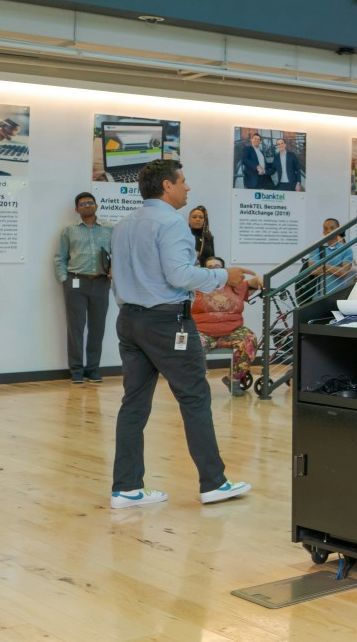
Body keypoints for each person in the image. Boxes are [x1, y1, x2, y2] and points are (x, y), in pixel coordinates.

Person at [109, 159, 255, 508]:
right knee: (194, 398)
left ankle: (126, 488)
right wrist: (225, 277)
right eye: (183, 182)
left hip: (129, 320)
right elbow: (179, 275)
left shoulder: (124, 224)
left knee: (134, 402)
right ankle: (213, 483)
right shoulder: (171, 224)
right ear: (167, 186)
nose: (188, 188)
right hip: (167, 322)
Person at [56, 192, 113, 385]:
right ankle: (77, 371)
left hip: (100, 282)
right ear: (77, 209)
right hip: (75, 282)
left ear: (96, 206)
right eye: (83, 204)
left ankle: (93, 369)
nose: (87, 206)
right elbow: (60, 258)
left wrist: (114, 270)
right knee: (76, 328)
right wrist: (65, 279)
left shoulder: (110, 228)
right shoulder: (69, 230)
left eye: (90, 202)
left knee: (98, 328)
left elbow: (118, 254)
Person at [193, 256, 263, 394]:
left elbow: (254, 283)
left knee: (248, 339)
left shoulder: (236, 285)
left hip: (232, 330)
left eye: (218, 267)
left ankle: (234, 380)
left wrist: (259, 278)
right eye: (210, 267)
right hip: (202, 331)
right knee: (193, 344)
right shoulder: (196, 286)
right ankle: (197, 385)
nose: (214, 270)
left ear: (224, 270)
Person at [306, 218, 355, 297]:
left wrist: (323, 266)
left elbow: (344, 272)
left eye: (332, 228)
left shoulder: (346, 250)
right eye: (326, 229)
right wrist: (337, 270)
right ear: (323, 232)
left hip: (340, 295)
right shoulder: (316, 248)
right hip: (319, 297)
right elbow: (313, 270)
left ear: (339, 230)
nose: (328, 231)